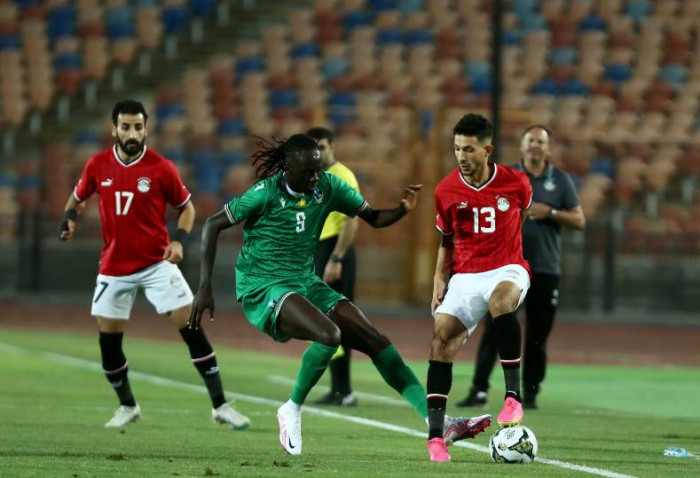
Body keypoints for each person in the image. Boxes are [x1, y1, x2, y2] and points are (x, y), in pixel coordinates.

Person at [189, 133, 491, 456]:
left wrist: (401, 210)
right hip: (263, 285)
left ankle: (439, 423)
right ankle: (291, 408)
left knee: (376, 341)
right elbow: (212, 224)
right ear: (288, 168)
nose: (315, 177)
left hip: (305, 281)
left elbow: (373, 217)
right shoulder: (265, 193)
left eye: (318, 169)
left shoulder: (328, 186)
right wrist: (204, 287)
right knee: (330, 335)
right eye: (308, 172)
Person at [57, 100, 250, 430]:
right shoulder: (97, 165)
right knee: (109, 344)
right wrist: (69, 219)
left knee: (192, 329)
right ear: (114, 129)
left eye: (138, 127)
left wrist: (180, 240)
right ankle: (127, 406)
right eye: (126, 127)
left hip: (156, 264)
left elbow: (187, 208)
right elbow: (76, 198)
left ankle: (220, 406)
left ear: (146, 128)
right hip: (113, 267)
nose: (132, 133)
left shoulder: (161, 167)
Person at [425, 113, 533, 462]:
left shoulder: (516, 182)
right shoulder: (445, 190)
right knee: (442, 338)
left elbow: (522, 215)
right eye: (457, 148)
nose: (461, 156)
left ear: (487, 150)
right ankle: (436, 436)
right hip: (466, 275)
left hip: (508, 266)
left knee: (502, 300)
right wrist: (439, 277)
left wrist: (508, 249)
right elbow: (446, 239)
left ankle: (512, 398)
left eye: (468, 149)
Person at [456, 125, 585, 410]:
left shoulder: (560, 180)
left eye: (541, 141)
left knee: (538, 335)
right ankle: (479, 389)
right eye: (531, 140)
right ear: (522, 145)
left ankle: (530, 393)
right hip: (507, 267)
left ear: (548, 148)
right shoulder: (504, 176)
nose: (536, 145)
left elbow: (579, 219)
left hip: (545, 268)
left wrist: (550, 212)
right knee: (495, 329)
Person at [306, 126, 358, 407]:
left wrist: (336, 258)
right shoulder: (311, 179)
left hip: (335, 250)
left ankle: (344, 390)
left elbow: (352, 220)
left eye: (322, 147)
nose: (317, 153)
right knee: (324, 319)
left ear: (332, 147)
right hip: (318, 250)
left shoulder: (343, 175)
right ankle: (337, 388)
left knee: (340, 320)